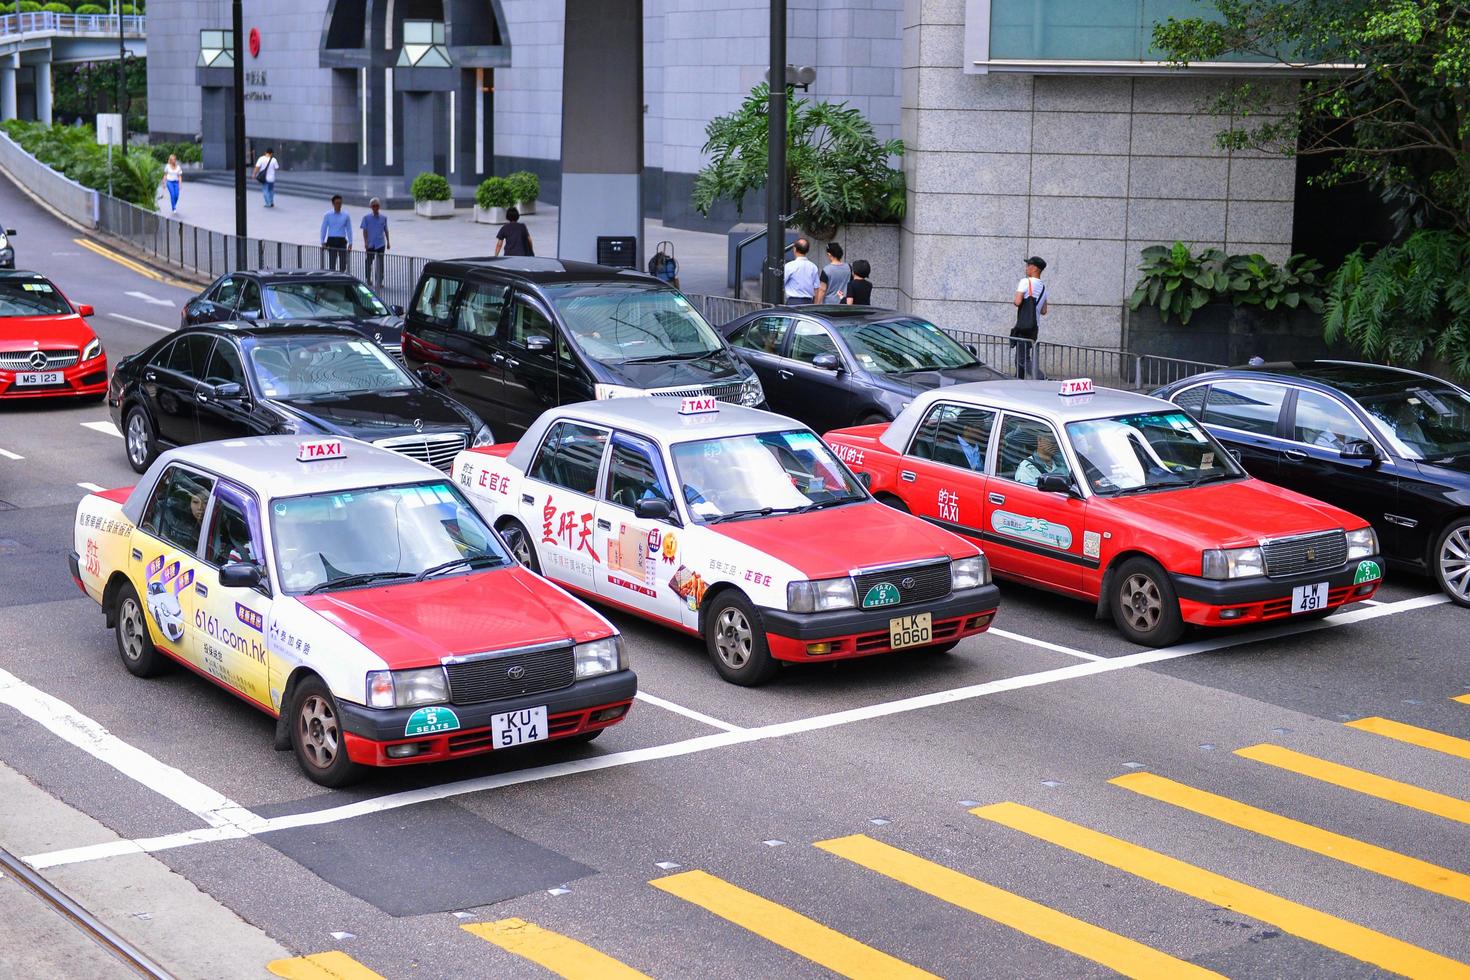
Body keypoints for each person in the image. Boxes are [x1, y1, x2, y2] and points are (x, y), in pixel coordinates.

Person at [1011, 256, 1048, 379]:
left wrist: (1017, 298)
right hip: (1033, 327)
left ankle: (1042, 378)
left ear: (1035, 268)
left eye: (1028, 265)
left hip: (1023, 326)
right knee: (1020, 359)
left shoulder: (1025, 282)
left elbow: (1017, 301)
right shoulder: (1043, 287)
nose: (1026, 268)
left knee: (1023, 360)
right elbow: (1043, 310)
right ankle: (1018, 381)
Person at [360, 198, 390, 289]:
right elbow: (365, 231)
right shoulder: (366, 218)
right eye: (374, 206)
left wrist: (388, 242)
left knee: (380, 263)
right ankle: (368, 279)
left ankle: (380, 281)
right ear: (370, 207)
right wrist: (365, 242)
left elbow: (386, 230)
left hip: (380, 243)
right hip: (370, 244)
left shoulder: (383, 218)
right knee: (369, 262)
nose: (376, 207)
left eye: (377, 206)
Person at [320, 194, 352, 272]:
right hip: (332, 240)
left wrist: (350, 242)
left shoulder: (346, 215)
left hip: (342, 240)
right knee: (332, 262)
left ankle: (342, 276)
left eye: (340, 203)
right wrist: (322, 241)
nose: (339, 205)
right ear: (333, 204)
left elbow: (349, 229)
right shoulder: (327, 215)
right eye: (337, 203)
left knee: (343, 262)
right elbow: (323, 228)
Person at [782, 238, 820, 305]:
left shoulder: (789, 266)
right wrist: (815, 305)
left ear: (794, 249)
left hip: (793, 302)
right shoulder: (813, 267)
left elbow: (781, 283)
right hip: (809, 303)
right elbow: (816, 289)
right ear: (807, 250)